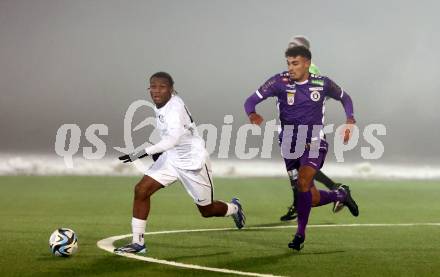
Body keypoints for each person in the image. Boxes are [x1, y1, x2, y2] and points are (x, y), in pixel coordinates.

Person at [114, 72, 245, 254]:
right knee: (141, 190)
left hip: (193, 163)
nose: (156, 91)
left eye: (162, 87)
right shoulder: (162, 103)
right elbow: (170, 141)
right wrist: (159, 151)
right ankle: (138, 243)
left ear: (171, 89)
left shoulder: (174, 109)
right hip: (171, 159)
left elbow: (172, 140)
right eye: (153, 86)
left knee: (206, 211)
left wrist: (142, 152)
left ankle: (234, 208)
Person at [244, 46, 359, 251]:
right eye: (288, 63)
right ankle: (340, 195)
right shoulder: (278, 82)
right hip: (289, 144)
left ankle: (300, 235)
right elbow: (250, 100)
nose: (290, 68)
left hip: (315, 141)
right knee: (311, 197)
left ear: (307, 63)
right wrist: (252, 113)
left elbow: (346, 97)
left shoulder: (321, 83)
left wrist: (350, 120)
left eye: (295, 63)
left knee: (304, 182)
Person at [278, 35, 347, 221]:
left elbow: (323, 91)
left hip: (306, 129)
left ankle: (332, 191)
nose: (291, 48)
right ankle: (335, 189)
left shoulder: (311, 69)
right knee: (300, 170)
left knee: (299, 171)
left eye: (295, 46)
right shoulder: (294, 68)